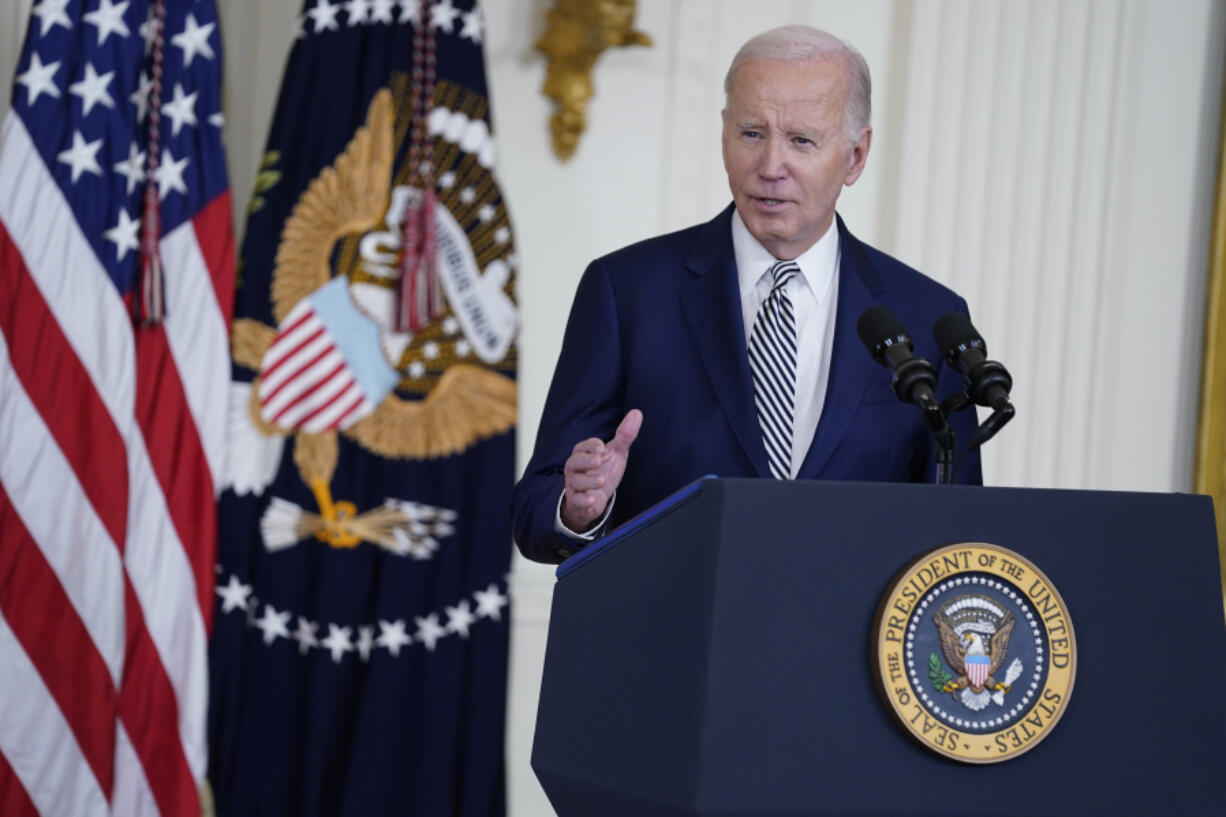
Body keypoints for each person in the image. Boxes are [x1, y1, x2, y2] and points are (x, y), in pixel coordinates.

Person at [512, 24, 982, 564]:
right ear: (723, 134)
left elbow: (958, 540)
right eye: (752, 133)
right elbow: (534, 510)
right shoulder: (627, 292)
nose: (770, 167)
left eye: (802, 141)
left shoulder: (926, 318)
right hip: (672, 637)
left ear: (856, 156)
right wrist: (578, 508)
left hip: (845, 643)